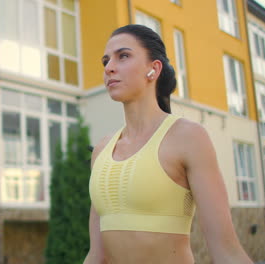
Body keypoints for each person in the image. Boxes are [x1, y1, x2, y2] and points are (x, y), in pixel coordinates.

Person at [83, 24, 253, 264]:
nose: (109, 67)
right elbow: (96, 255)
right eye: (105, 61)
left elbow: (227, 252)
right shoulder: (101, 150)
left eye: (123, 56)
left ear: (153, 69)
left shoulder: (187, 137)